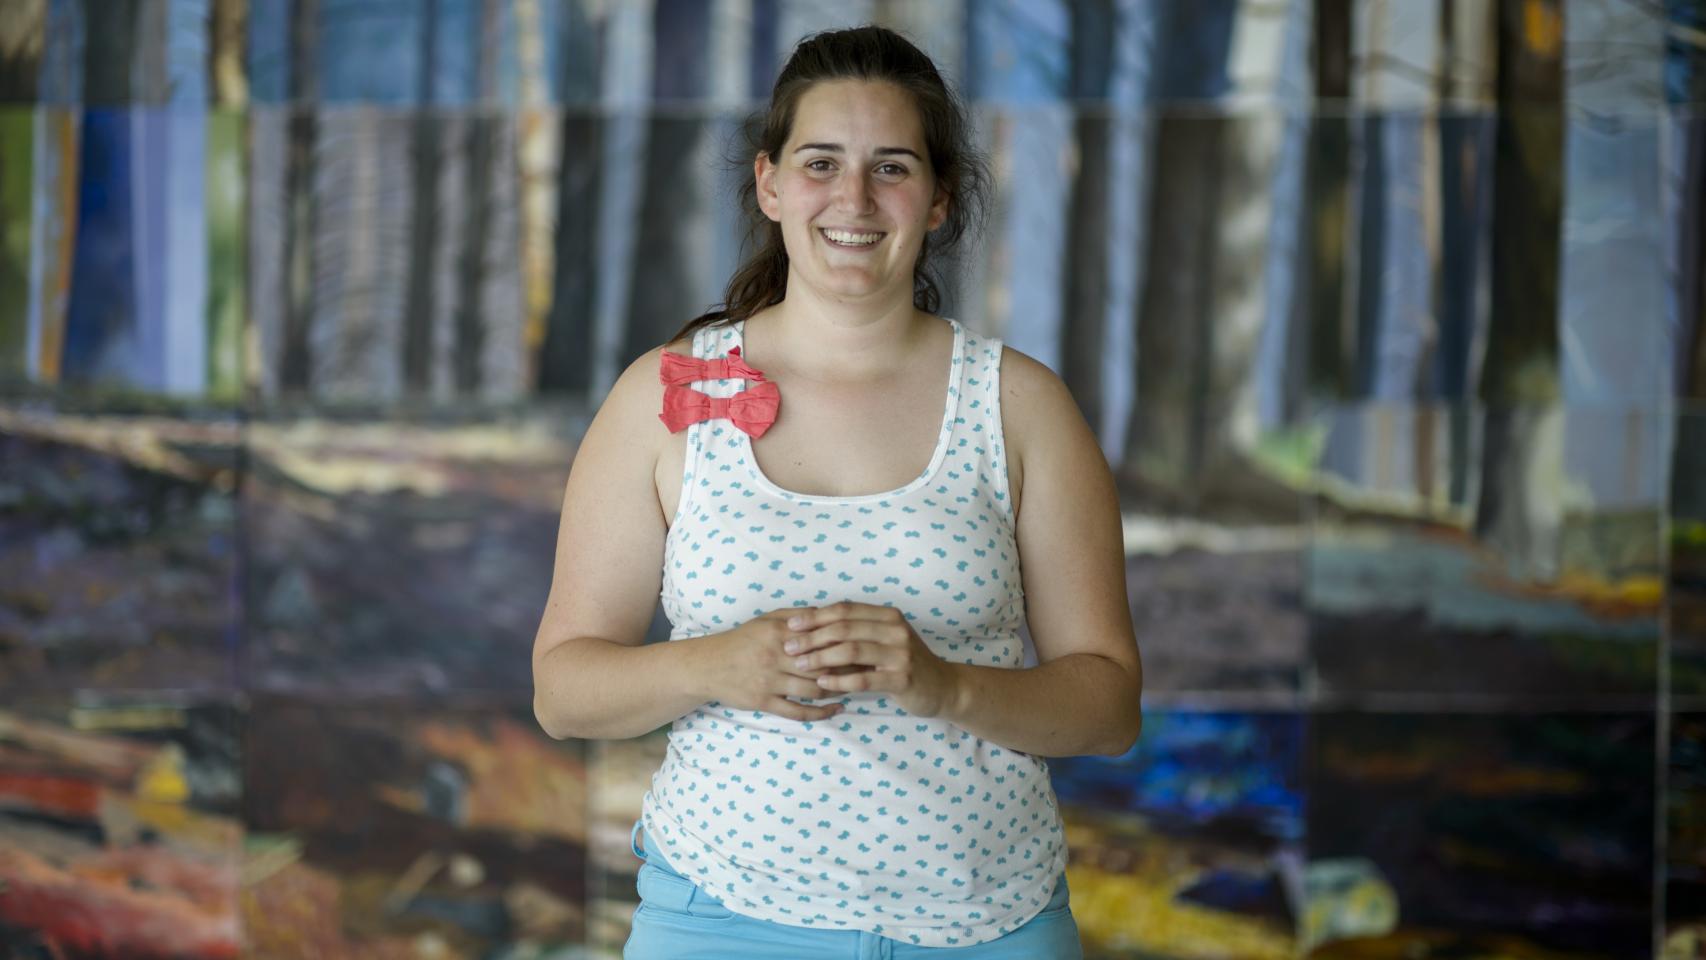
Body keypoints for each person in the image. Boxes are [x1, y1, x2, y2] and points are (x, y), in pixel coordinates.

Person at [532, 24, 1142, 960]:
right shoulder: (666, 395)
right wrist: (712, 666)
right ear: (770, 182)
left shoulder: (1019, 404)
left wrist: (945, 687)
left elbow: (1107, 707)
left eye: (892, 167)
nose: (854, 199)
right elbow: (563, 690)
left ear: (939, 199)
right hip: (720, 918)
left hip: (989, 925)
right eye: (822, 162)